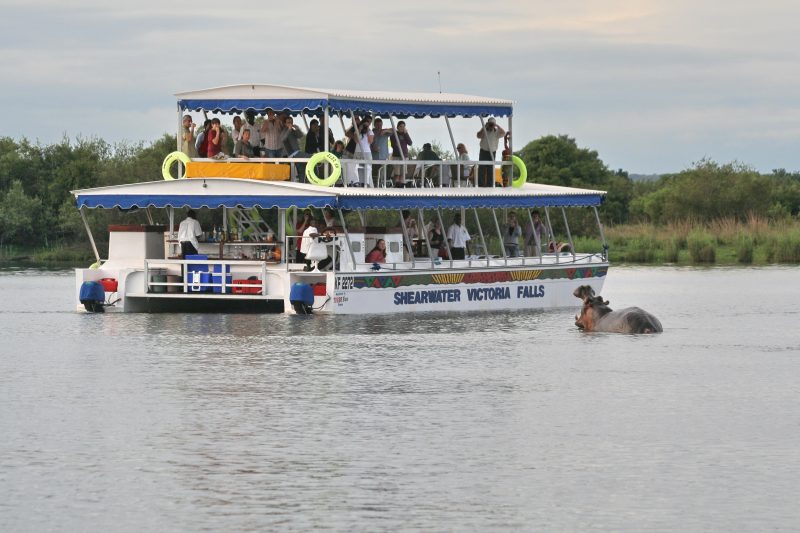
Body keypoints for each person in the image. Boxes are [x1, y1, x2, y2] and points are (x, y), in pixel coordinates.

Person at [476, 117, 506, 187]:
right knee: (481, 169)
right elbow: (478, 135)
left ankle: (490, 186)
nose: (491, 125)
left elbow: (504, 133)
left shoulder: (497, 132)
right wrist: (484, 127)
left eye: (492, 124)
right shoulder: (484, 130)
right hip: (483, 151)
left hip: (492, 152)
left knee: (491, 170)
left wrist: (497, 125)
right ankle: (481, 186)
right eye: (490, 124)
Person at [345, 116, 374, 186]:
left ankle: (366, 182)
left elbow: (370, 141)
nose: (365, 126)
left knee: (368, 168)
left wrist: (368, 130)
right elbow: (356, 140)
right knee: (355, 167)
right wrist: (360, 129)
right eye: (364, 124)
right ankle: (356, 182)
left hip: (366, 152)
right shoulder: (357, 131)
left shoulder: (370, 131)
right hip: (357, 152)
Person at [390, 120, 413, 186]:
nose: (402, 128)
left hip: (404, 156)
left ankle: (401, 185)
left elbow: (410, 143)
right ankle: (396, 185)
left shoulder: (405, 134)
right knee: (397, 173)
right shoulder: (394, 134)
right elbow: (394, 145)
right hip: (397, 156)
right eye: (400, 126)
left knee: (403, 173)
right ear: (397, 127)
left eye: (403, 126)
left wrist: (406, 133)